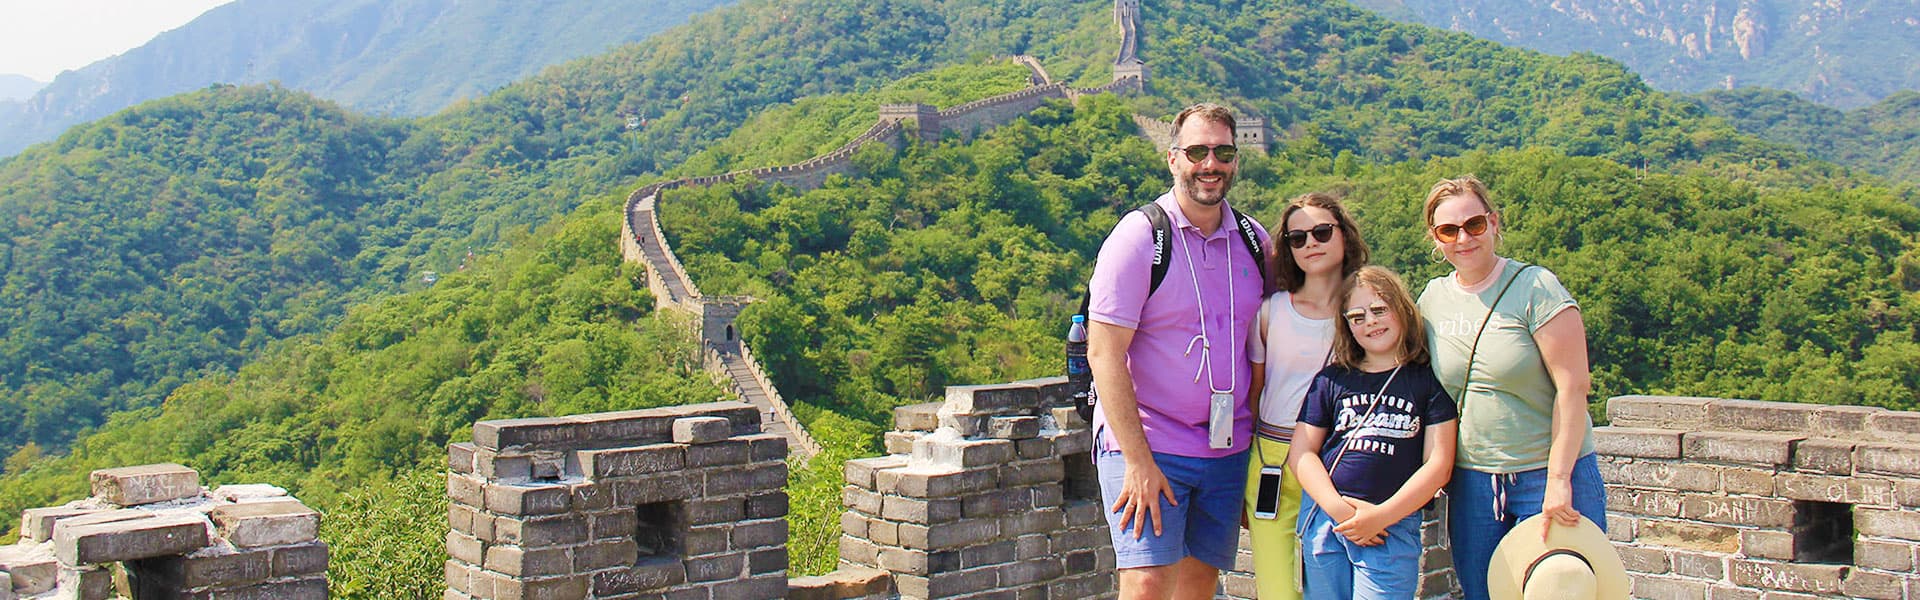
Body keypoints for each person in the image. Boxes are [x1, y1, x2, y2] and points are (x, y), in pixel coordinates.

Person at [1086, 103, 1267, 600]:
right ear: (1172, 158)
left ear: (1236, 159)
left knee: (1199, 583)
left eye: (1223, 152)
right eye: (1197, 152)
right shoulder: (1141, 237)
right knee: (1146, 583)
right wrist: (1138, 461)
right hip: (1150, 439)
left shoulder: (1254, 241)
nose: (1211, 164)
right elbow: (1104, 354)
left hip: (1226, 447)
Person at [1414, 176, 1606, 600]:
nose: (1463, 238)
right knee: (1483, 592)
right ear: (1435, 238)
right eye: (1449, 230)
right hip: (1473, 482)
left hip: (1547, 471)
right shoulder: (1433, 300)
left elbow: (1573, 388)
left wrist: (1559, 479)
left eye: (1474, 225)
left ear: (1494, 223)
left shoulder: (1536, 287)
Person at [1289, 265, 1458, 600]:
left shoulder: (1426, 382)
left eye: (1380, 310)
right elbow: (1302, 453)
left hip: (1390, 528)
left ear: (1401, 309)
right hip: (1326, 520)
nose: (1370, 322)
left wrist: (1381, 516)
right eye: (1357, 317)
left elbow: (1438, 465)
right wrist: (1340, 510)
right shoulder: (1332, 380)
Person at [1241, 192, 1369, 600]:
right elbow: (1255, 393)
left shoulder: (1368, 314)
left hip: (1341, 460)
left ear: (1344, 236)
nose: (1311, 243)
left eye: (1322, 232)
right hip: (1273, 460)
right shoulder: (1270, 311)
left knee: (1337, 589)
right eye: (1298, 238)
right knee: (1278, 589)